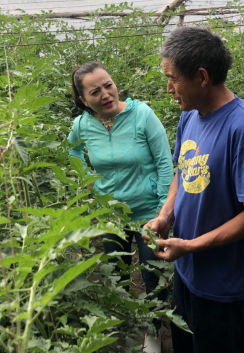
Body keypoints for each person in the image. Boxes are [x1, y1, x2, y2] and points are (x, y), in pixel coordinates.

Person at [143, 27, 244, 353]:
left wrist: (191, 245)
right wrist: (165, 215)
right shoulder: (191, 115)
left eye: (172, 78)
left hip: (223, 288)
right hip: (187, 276)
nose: (169, 88)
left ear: (202, 76)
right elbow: (181, 172)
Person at [67, 61, 174, 353]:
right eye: (94, 91)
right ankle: (126, 330)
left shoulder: (142, 115)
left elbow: (165, 163)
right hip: (111, 216)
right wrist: (88, 180)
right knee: (117, 274)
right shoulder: (81, 125)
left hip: (148, 214)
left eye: (108, 85)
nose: (105, 94)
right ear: (83, 100)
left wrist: (163, 210)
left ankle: (153, 331)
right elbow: (72, 151)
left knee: (154, 276)